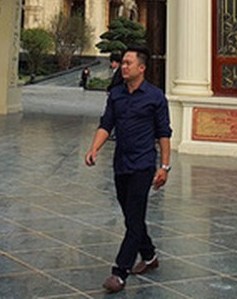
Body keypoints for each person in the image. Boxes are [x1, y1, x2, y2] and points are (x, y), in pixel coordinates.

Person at [85, 47, 171, 294]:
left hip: (143, 165)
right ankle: (150, 254)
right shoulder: (116, 95)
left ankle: (119, 273)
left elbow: (164, 133)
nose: (123, 67)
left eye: (128, 63)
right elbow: (106, 124)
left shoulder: (155, 97)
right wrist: (94, 148)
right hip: (121, 163)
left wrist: (164, 167)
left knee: (133, 218)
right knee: (131, 216)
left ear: (141, 68)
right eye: (122, 63)